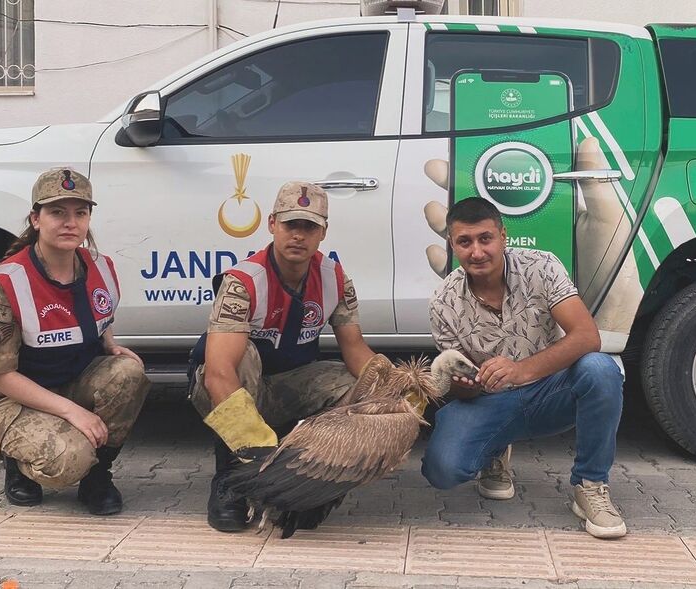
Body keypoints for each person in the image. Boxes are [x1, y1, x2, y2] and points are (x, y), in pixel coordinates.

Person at [422, 197, 626, 539]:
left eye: (485, 238)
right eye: (465, 242)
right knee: (443, 471)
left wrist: (521, 370)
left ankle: (590, 485)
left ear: (503, 236)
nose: (477, 251)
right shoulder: (442, 301)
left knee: (601, 370)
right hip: (491, 401)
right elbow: (458, 385)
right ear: (452, 244)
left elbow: (587, 336)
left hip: (550, 390)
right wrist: (467, 384)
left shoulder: (541, 267)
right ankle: (494, 452)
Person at [189, 181, 375, 532]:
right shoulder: (244, 282)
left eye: (310, 227)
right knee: (240, 358)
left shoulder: (335, 278)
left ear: (323, 232)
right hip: (234, 388)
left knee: (356, 386)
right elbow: (219, 372)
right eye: (291, 225)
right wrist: (260, 449)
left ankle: (312, 483)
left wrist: (396, 390)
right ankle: (231, 480)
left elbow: (356, 350)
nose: (299, 236)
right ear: (272, 224)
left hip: (291, 384)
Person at [0, 168, 150, 515]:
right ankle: (18, 463)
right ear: (36, 219)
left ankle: (97, 477)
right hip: (4, 399)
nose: (71, 223)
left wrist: (109, 343)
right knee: (68, 461)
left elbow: (98, 311)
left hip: (64, 379)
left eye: (80, 213)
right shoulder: (5, 285)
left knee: (129, 372)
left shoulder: (98, 265)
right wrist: (75, 413)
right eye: (57, 213)